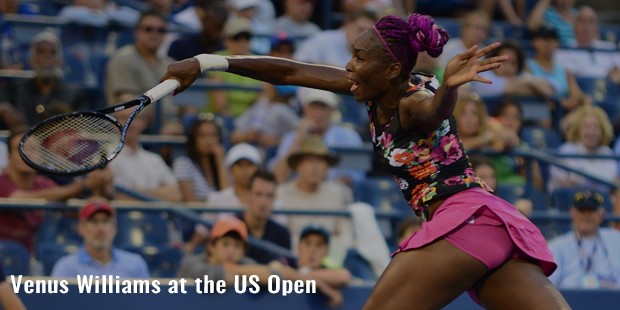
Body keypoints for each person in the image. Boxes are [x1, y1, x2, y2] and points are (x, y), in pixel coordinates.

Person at [160, 12, 569, 309]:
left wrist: (449, 89)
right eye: (352, 56)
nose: (350, 67)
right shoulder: (372, 86)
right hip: (490, 225)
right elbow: (288, 73)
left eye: (359, 57)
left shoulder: (414, 100)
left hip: (465, 221)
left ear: (392, 69)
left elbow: (433, 112)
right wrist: (208, 62)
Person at [51, 200, 150, 278]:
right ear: (81, 228)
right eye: (94, 221)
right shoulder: (67, 268)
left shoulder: (135, 264)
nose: (101, 229)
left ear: (115, 228)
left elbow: (146, 302)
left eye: (106, 221)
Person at [548, 190, 620, 289]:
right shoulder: (557, 246)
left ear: (602, 214)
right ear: (572, 213)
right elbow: (550, 285)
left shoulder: (616, 239)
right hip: (572, 301)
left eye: (591, 210)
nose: (586, 216)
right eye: (582, 210)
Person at [238, 170, 291, 264]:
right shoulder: (231, 229)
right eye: (258, 194)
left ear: (275, 198)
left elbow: (290, 268)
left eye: (269, 196)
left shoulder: (282, 234)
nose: (264, 201)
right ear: (248, 195)